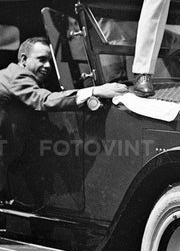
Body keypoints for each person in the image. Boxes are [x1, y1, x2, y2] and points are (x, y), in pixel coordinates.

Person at [0, 37, 127, 206]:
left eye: (49, 61)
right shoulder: (17, 75)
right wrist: (95, 90)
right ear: (23, 59)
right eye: (41, 59)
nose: (47, 66)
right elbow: (44, 100)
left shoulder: (17, 76)